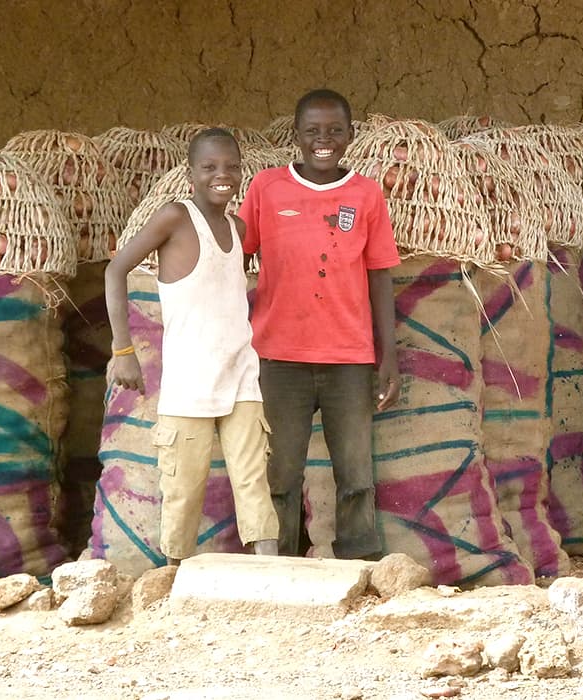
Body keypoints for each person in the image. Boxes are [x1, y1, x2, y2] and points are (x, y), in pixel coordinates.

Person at [238, 89, 401, 560]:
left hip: (348, 358)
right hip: (279, 357)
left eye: (334, 131)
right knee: (280, 475)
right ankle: (279, 566)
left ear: (351, 136)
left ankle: (360, 564)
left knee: (354, 473)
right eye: (312, 131)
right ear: (296, 136)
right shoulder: (266, 188)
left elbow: (379, 276)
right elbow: (234, 256)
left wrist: (387, 356)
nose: (323, 141)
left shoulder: (366, 194)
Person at [105, 128, 279, 565]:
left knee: (254, 478)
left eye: (231, 167)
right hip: (188, 385)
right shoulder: (175, 218)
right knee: (183, 487)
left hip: (241, 373)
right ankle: (174, 576)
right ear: (190, 173)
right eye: (209, 167)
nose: (222, 175)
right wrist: (122, 350)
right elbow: (115, 271)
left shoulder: (239, 229)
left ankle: (270, 570)